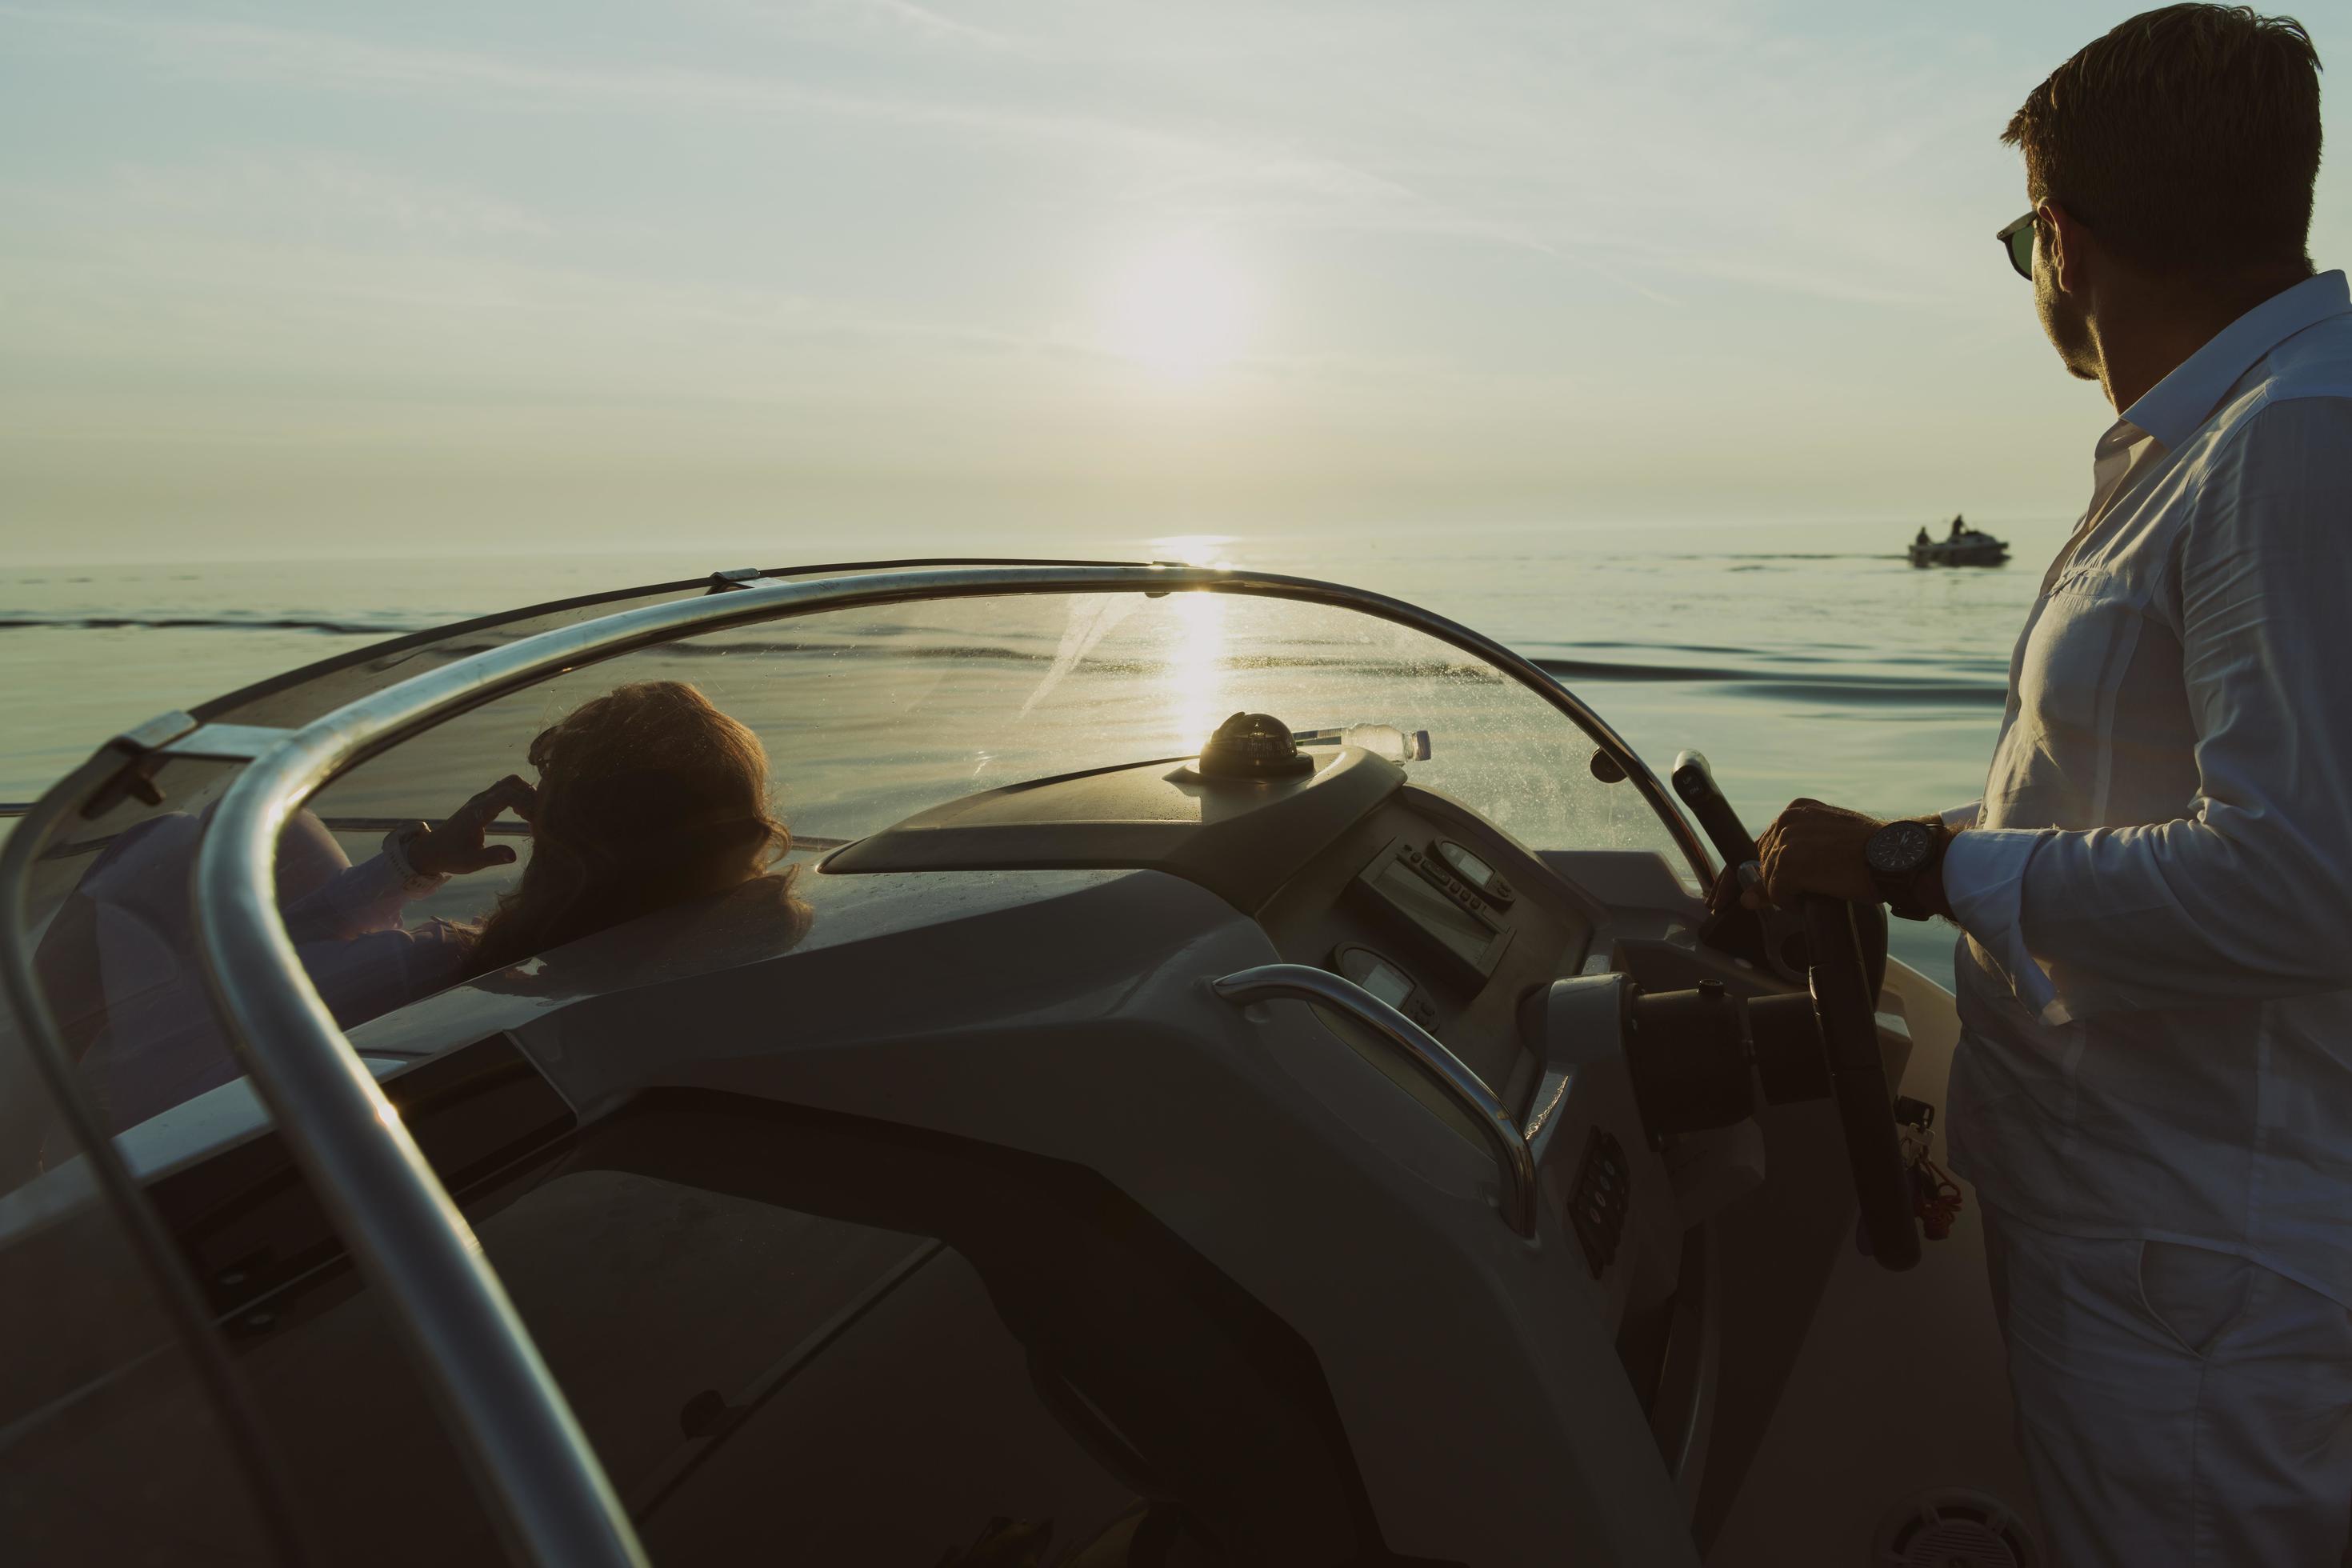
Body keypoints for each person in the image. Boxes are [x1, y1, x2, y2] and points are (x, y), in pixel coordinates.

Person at [1732, 9, 2350, 1564]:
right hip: (2163, 1245)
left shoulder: (2290, 446)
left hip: (2209, 1282)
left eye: (2027, 239)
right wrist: (1923, 843)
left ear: (2063, 240)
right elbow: (2150, 796)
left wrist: (1919, 870)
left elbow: (2300, 876)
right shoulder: (2227, 441)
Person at [44, 680, 798, 1132]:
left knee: (170, 843)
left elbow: (250, 976)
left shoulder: (437, 969)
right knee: (289, 831)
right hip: (344, 1050)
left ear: (560, 828)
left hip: (166, 1098)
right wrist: (413, 865)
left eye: (548, 783)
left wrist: (411, 870)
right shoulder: (685, 920)